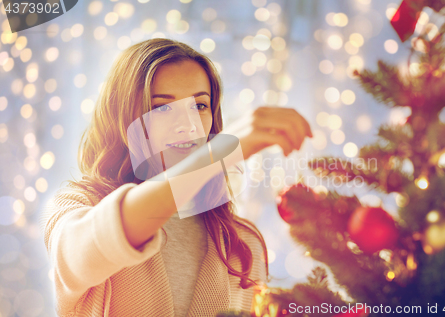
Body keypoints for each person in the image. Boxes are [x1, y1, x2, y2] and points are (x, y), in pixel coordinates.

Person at [40, 38, 312, 317]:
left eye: (199, 106)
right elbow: (101, 240)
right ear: (123, 118)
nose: (189, 126)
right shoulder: (76, 208)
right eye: (162, 107)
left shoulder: (241, 244)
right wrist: (217, 155)